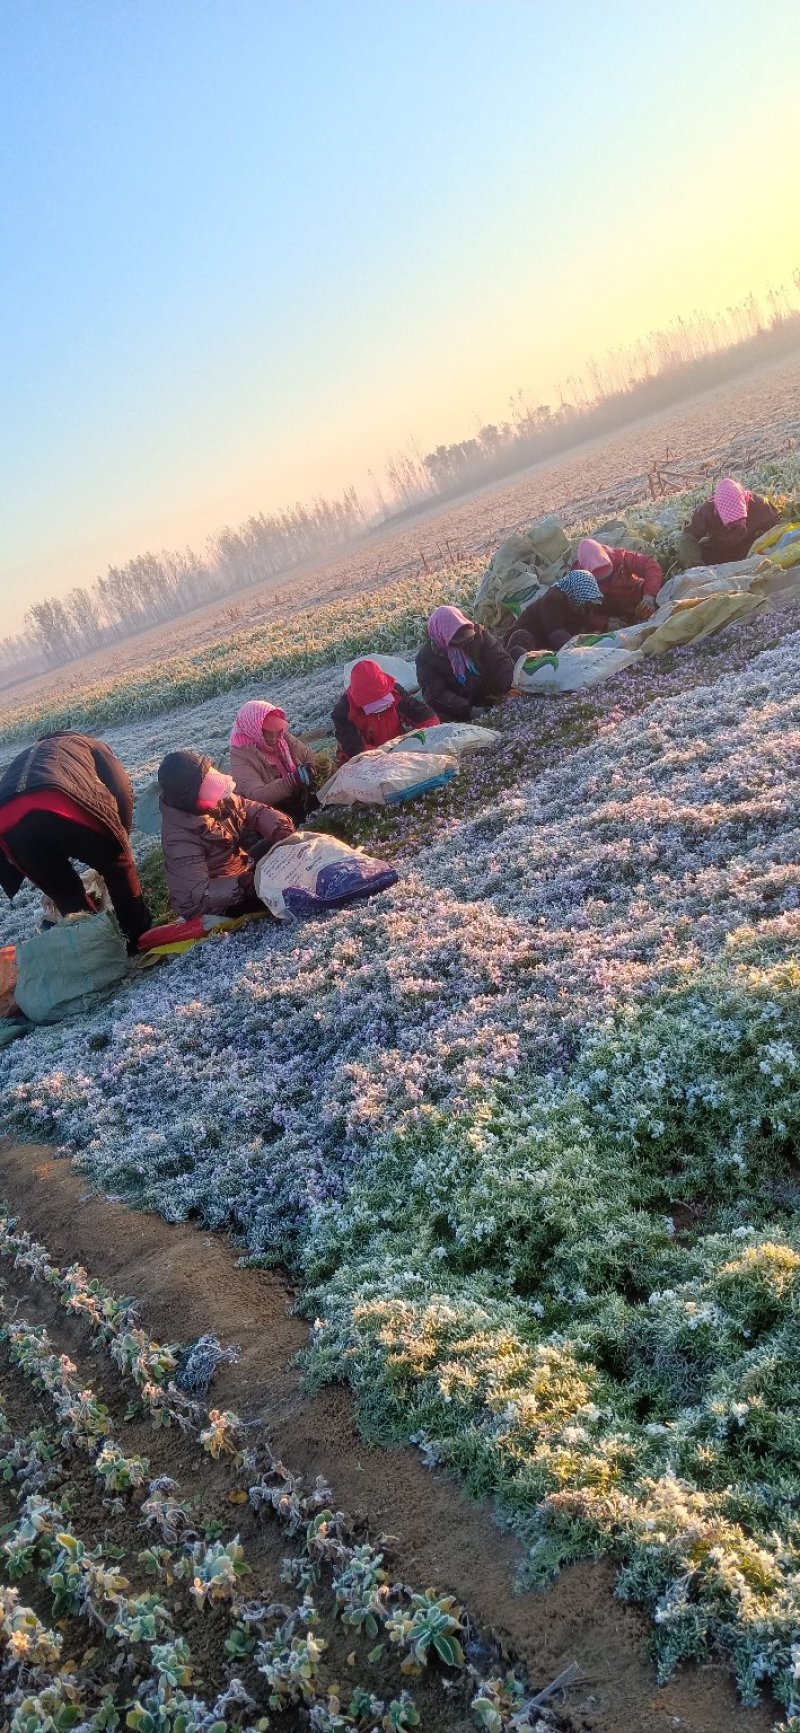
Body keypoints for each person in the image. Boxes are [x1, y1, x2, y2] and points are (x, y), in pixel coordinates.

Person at [0, 731, 150, 952]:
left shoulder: (25, 754)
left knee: (65, 891)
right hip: (60, 802)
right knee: (118, 867)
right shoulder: (88, 743)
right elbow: (121, 788)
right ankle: (139, 939)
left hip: (9, 821)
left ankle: (100, 951)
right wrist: (122, 839)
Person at [158, 750, 294, 920]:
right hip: (212, 905)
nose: (219, 799)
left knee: (286, 847)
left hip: (238, 870)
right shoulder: (178, 837)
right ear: (190, 797)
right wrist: (242, 886)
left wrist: (279, 829)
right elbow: (200, 890)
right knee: (277, 894)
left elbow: (253, 811)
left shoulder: (215, 797)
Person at [415, 606, 514, 722]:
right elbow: (436, 695)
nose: (463, 644)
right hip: (460, 708)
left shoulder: (478, 635)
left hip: (489, 694)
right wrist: (469, 710)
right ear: (442, 636)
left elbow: (500, 663)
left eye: (465, 638)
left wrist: (511, 689)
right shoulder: (426, 658)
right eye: (457, 640)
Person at [332, 659, 437, 761]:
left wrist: (425, 738)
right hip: (368, 759)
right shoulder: (344, 713)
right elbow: (354, 749)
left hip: (399, 747)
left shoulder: (395, 692)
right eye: (373, 704)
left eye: (382, 700)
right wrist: (385, 757)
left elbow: (424, 716)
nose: (380, 706)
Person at [230, 700, 319, 820]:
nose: (273, 737)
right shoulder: (240, 754)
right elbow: (256, 796)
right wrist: (290, 782)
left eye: (275, 730)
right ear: (254, 729)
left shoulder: (281, 736)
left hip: (297, 798)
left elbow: (307, 755)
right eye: (266, 732)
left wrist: (310, 767)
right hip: (274, 813)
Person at [678, 477, 779, 569]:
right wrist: (694, 565)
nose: (735, 524)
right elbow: (689, 536)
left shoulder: (760, 504)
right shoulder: (706, 512)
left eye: (739, 519)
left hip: (750, 545)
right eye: (731, 522)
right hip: (722, 550)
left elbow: (777, 522)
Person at [505, 570, 605, 655]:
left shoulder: (582, 604)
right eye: (584, 599)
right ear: (575, 592)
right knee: (522, 637)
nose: (586, 603)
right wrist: (579, 651)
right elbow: (556, 635)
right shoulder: (552, 600)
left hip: (548, 643)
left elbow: (589, 625)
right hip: (530, 637)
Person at [574, 537, 664, 623]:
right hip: (610, 611)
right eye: (602, 580)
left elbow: (651, 566)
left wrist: (649, 596)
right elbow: (580, 613)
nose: (607, 580)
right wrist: (605, 623)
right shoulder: (577, 582)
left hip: (635, 596)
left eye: (609, 576)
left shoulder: (620, 558)